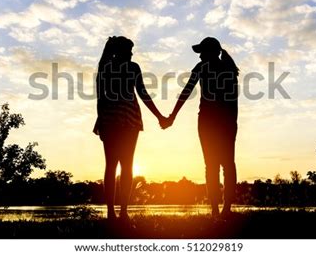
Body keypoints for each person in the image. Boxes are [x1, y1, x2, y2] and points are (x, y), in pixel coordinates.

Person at [163, 37, 239, 216]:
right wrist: (232, 122)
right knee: (227, 164)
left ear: (212, 52)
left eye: (202, 53)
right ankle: (223, 208)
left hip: (209, 122)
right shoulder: (228, 68)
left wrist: (172, 116)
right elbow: (233, 101)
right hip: (225, 122)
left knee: (213, 165)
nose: (199, 57)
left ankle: (217, 209)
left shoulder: (204, 68)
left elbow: (186, 91)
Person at [94, 36, 166, 220]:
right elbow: (100, 95)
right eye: (128, 50)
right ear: (119, 51)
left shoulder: (122, 67)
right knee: (115, 165)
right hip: (115, 120)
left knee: (124, 165)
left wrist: (159, 116)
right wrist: (101, 121)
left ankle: (122, 211)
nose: (131, 53)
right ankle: (113, 211)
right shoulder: (109, 67)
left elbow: (142, 93)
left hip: (127, 120)